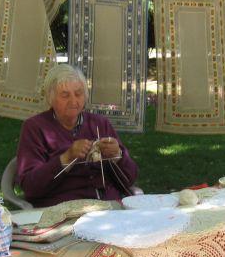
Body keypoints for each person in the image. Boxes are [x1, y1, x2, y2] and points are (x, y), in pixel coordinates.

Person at [16, 64, 138, 207]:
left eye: (78, 94)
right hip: (63, 209)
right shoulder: (35, 128)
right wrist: (66, 158)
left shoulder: (100, 123)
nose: (73, 101)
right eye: (65, 95)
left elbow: (129, 179)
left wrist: (118, 156)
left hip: (108, 206)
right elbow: (30, 187)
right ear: (50, 98)